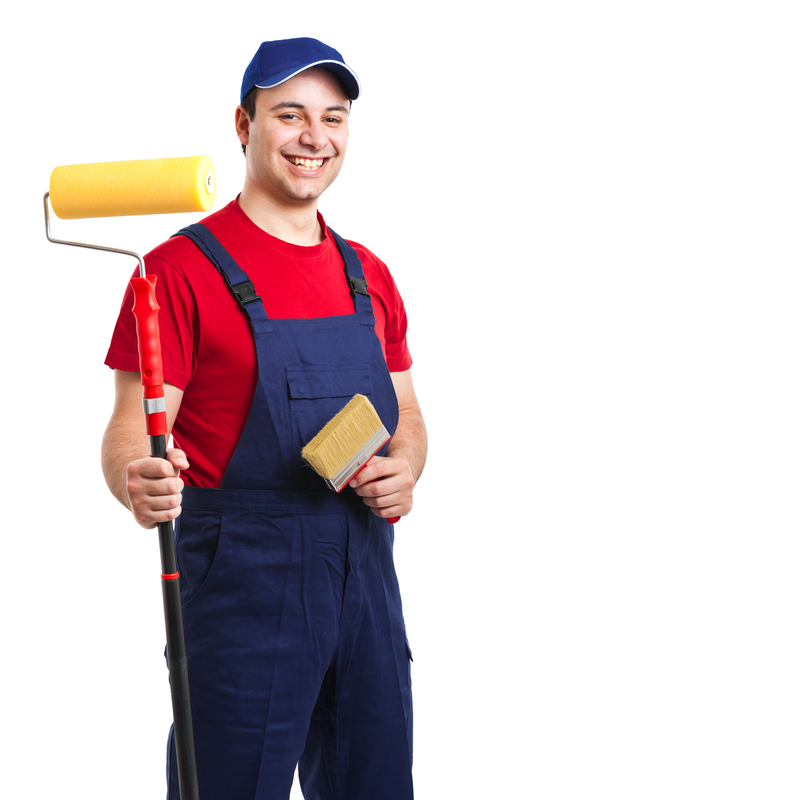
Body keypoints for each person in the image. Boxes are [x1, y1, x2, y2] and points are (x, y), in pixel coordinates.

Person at [101, 37, 426, 800]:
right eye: (290, 114)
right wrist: (135, 477)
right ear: (244, 125)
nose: (314, 136)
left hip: (365, 578)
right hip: (244, 581)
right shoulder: (176, 272)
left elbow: (407, 411)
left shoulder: (368, 274)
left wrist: (405, 466)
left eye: (332, 117)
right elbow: (130, 427)